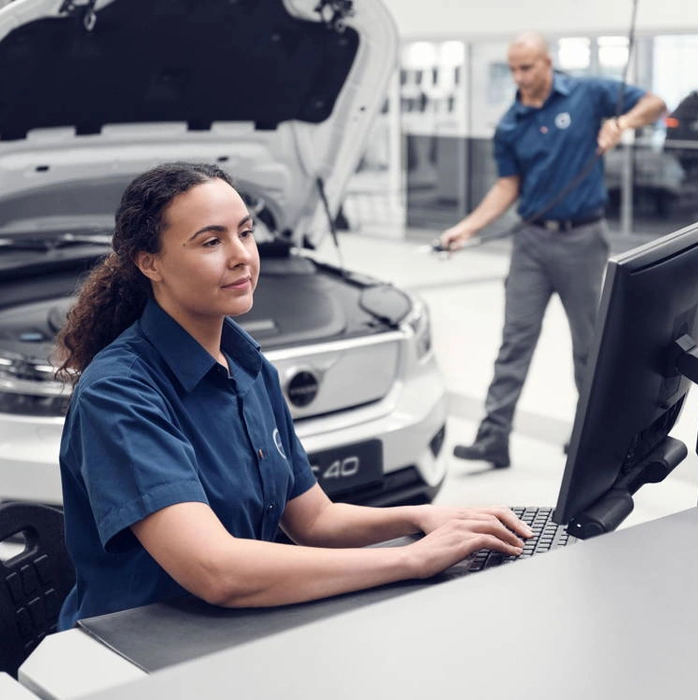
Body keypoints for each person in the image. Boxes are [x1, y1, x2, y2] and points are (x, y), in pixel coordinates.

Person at [54, 161, 532, 629]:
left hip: (235, 629)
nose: (241, 254)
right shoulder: (120, 393)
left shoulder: (247, 365)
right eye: (211, 241)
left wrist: (426, 517)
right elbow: (217, 572)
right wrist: (411, 560)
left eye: (245, 232)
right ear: (149, 262)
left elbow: (315, 520)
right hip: (132, 649)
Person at [440, 31, 666, 469]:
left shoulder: (588, 93)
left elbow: (656, 104)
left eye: (526, 67)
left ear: (547, 63)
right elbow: (508, 186)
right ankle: (493, 437)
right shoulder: (511, 123)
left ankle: (594, 436)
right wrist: (466, 228)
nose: (519, 77)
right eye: (512, 69)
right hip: (531, 242)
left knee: (589, 345)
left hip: (582, 240)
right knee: (514, 340)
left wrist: (621, 123)